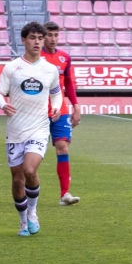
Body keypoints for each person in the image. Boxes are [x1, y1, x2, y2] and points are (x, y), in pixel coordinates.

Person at [0, 22, 62, 236]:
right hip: (15, 131)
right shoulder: (12, 67)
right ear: (23, 40)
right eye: (33, 38)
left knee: (30, 171)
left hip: (39, 129)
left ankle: (32, 212)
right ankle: (23, 221)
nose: (38, 42)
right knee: (17, 179)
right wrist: (3, 104)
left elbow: (56, 93)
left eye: (40, 38)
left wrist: (57, 107)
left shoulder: (50, 69)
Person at [40, 22, 82, 205]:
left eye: (56, 35)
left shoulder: (65, 58)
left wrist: (76, 107)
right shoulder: (35, 57)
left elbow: (69, 85)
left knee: (62, 147)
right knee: (32, 152)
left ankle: (65, 194)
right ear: (43, 37)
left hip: (60, 111)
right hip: (38, 112)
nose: (53, 39)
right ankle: (25, 187)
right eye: (49, 35)